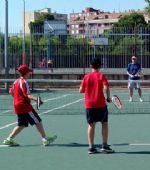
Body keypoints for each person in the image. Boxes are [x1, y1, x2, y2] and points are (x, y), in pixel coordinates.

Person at [3, 65, 57, 146]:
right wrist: (37, 100)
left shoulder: (15, 81)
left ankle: (8, 139)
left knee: (22, 124)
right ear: (26, 73)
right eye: (28, 72)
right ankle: (44, 139)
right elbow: (27, 95)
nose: (30, 74)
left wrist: (17, 99)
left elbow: (11, 92)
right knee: (37, 120)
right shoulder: (24, 82)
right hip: (25, 106)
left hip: (17, 106)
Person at [79, 58, 114, 154]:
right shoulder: (101, 76)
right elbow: (106, 88)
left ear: (90, 66)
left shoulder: (86, 77)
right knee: (104, 123)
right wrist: (108, 97)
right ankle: (105, 145)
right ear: (100, 66)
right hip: (101, 104)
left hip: (89, 105)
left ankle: (91, 147)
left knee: (91, 125)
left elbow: (80, 90)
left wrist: (89, 89)